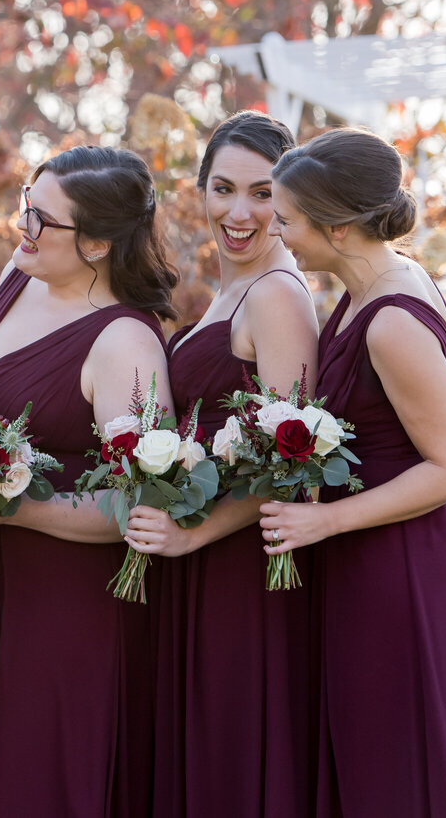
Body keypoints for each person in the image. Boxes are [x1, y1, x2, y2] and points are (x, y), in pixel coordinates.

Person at [261, 127, 446, 817]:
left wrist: (325, 518)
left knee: (410, 765)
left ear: (339, 229)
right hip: (375, 558)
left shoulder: (390, 321)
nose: (278, 235)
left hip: (410, 572)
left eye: (287, 220)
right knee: (378, 762)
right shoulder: (365, 284)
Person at [0, 145, 177, 818]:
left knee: (43, 783)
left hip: (68, 603)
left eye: (42, 219)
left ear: (98, 243)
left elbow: (135, 507)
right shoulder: (21, 272)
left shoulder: (125, 343)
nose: (23, 228)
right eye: (25, 206)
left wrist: (8, 513)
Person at [123, 112, 318, 818]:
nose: (239, 213)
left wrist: (192, 535)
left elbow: (294, 464)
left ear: (292, 201)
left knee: (236, 761)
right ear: (199, 189)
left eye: (263, 194)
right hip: (199, 563)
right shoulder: (227, 291)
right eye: (223, 188)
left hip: (244, 570)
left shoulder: (277, 297)